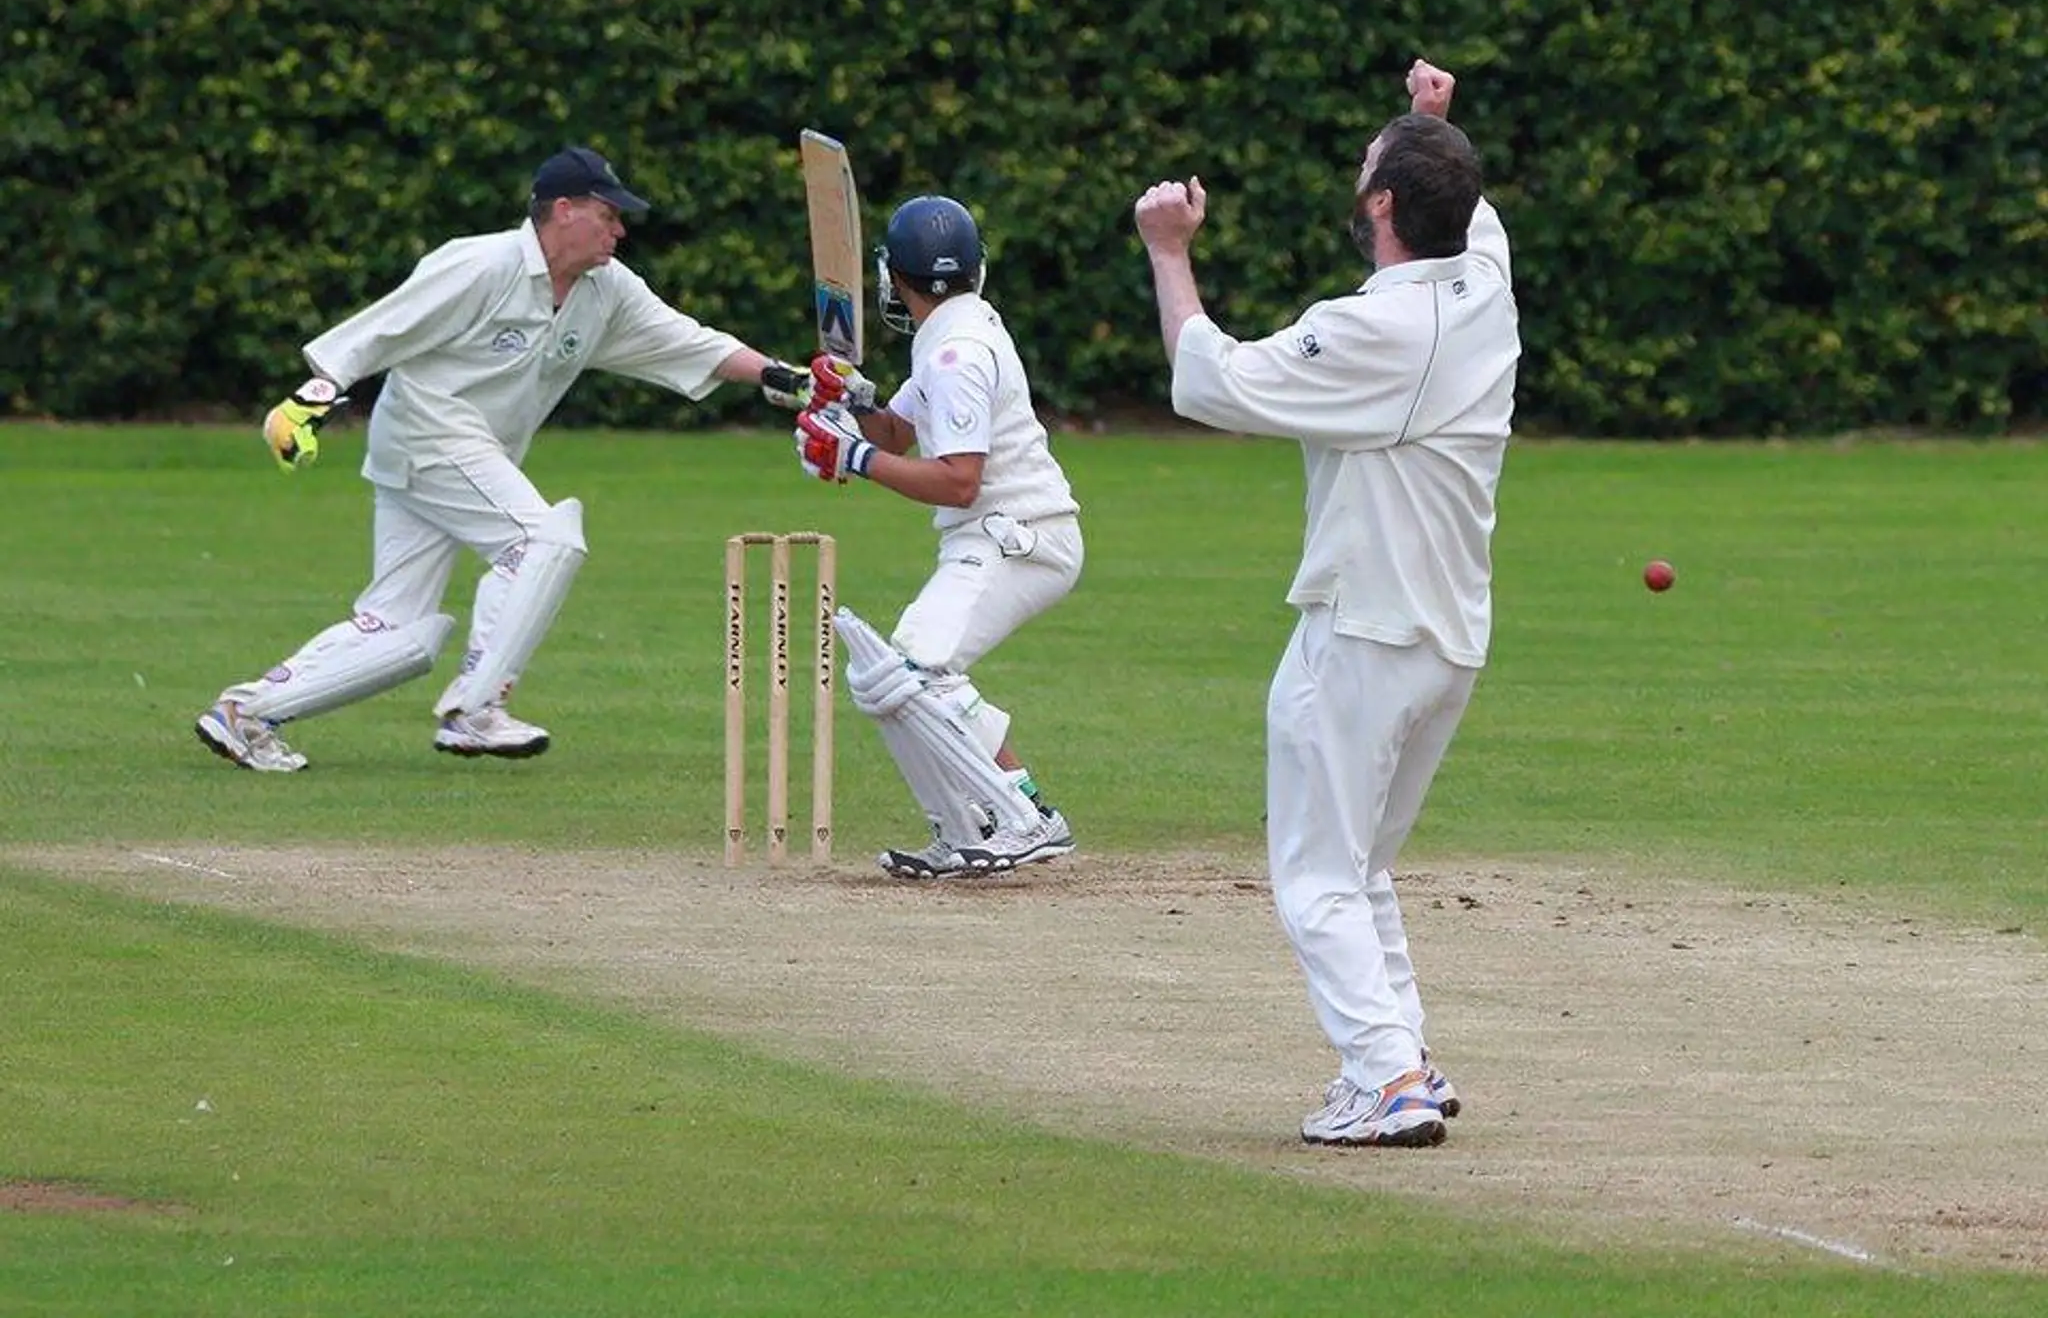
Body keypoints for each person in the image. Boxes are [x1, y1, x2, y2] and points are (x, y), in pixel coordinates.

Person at [1132, 59, 1519, 1148]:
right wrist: (1425, 126)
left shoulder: (1368, 331)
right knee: (1358, 868)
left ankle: (1386, 1080)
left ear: (1382, 206)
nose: (1358, 179)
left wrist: (1169, 253)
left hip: (1362, 633)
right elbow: (1465, 211)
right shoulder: (1484, 281)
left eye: (1369, 169)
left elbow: (1206, 380)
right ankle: (1405, 1060)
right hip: (1447, 639)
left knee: (1314, 876)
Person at [196, 145, 818, 773]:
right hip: (431, 436)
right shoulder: (482, 263)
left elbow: (688, 341)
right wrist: (310, 400)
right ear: (565, 210)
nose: (620, 230)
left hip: (457, 457)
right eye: (608, 215)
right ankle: (477, 709)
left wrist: (781, 376)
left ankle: (245, 713)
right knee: (544, 542)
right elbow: (388, 325)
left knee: (400, 633)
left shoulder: (607, 290)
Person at [791, 194, 1082, 879]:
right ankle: (964, 823)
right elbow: (897, 430)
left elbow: (958, 480)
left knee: (917, 668)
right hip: (999, 534)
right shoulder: (957, 332)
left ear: (895, 279)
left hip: (1019, 537)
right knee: (892, 675)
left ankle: (1028, 816)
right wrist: (850, 401)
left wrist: (852, 459)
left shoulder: (955, 352)